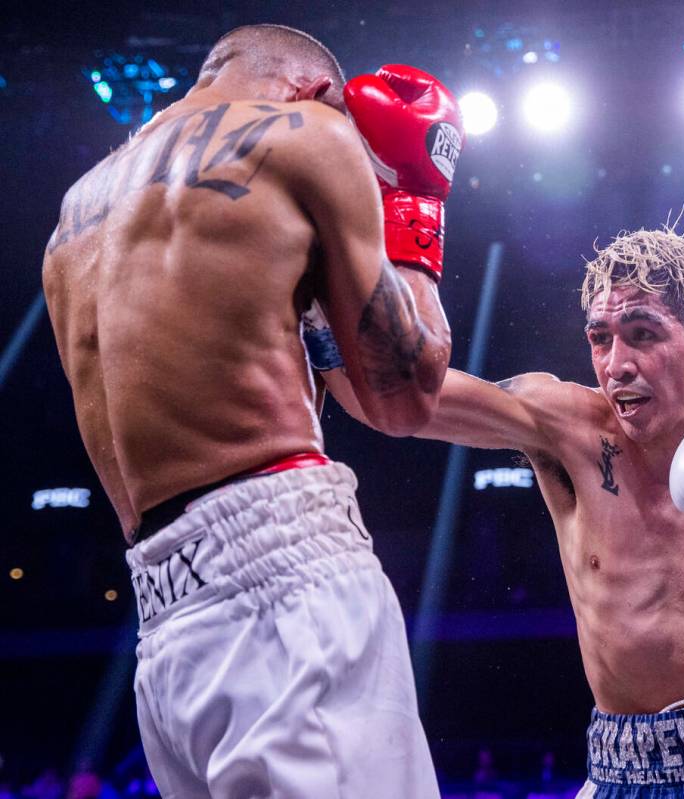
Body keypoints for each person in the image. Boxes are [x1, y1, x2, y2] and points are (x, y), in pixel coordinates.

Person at [42, 22, 465, 799]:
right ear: (314, 91)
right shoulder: (309, 135)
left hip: (165, 636)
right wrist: (413, 200)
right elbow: (406, 396)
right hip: (289, 591)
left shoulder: (75, 214)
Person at [318, 222, 684, 797]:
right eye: (600, 338)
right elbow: (383, 398)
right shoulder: (567, 432)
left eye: (643, 334)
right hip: (620, 772)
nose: (616, 364)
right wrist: (315, 287)